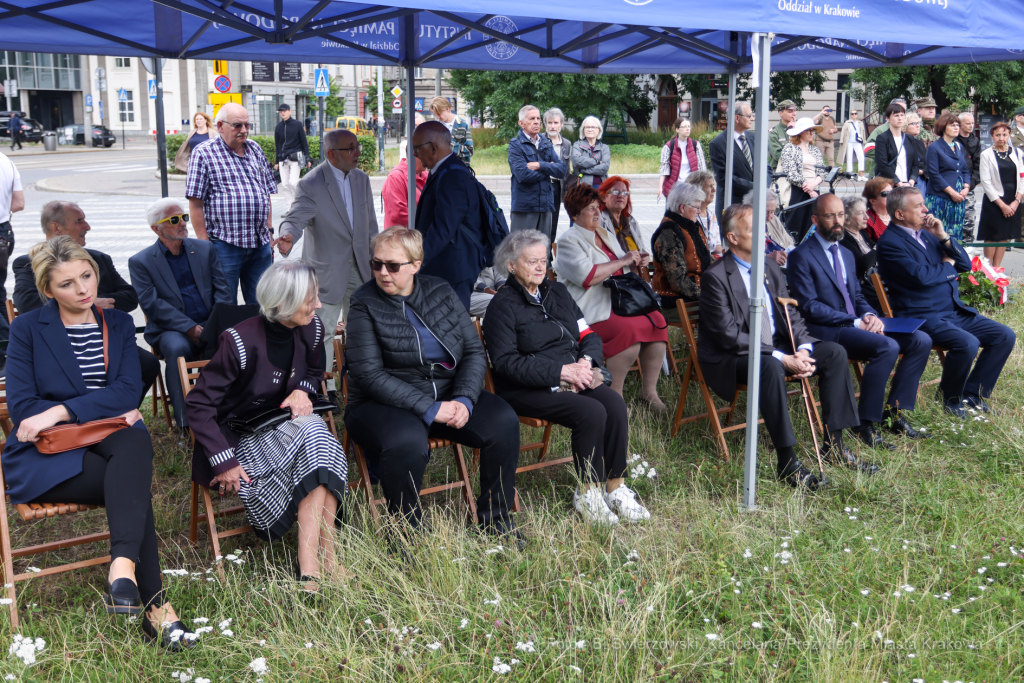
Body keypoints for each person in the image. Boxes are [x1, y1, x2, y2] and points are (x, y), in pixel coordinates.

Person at [5, 236, 195, 648]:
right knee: (132, 476)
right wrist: (68, 415)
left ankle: (122, 570)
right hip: (47, 457)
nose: (83, 290)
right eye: (67, 284)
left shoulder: (120, 324)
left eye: (87, 276)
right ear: (47, 291)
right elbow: (23, 409)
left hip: (109, 444)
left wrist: (56, 409)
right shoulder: (27, 330)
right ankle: (157, 609)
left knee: (131, 441)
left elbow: (129, 391)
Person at [344, 228, 522, 543]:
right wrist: (429, 408)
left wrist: (465, 400)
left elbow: (472, 353)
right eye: (377, 264)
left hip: (449, 393)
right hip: (382, 403)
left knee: (504, 421)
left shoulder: (439, 290)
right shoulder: (363, 303)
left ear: (416, 264)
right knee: (407, 443)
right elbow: (368, 375)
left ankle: (495, 521)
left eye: (393, 265)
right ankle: (405, 536)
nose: (383, 272)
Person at [185, 260, 348, 592]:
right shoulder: (239, 342)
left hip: (287, 427)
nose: (317, 305)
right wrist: (224, 461)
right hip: (241, 437)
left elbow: (315, 372)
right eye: (310, 299)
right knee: (317, 435)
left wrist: (302, 389)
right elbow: (199, 404)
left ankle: (314, 567)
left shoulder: (312, 327)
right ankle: (324, 560)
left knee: (315, 435)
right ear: (282, 305)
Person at [483, 230, 650, 525]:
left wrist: (586, 362)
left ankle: (615, 487)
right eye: (531, 261)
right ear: (511, 265)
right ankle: (587, 492)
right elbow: (506, 363)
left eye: (543, 260)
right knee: (591, 411)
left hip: (573, 376)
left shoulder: (557, 292)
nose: (539, 266)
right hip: (525, 388)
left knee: (613, 403)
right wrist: (561, 372)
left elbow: (588, 334)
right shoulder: (502, 306)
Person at [697, 205, 866, 489]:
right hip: (735, 355)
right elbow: (728, 336)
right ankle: (788, 463)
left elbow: (792, 316)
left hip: (776, 344)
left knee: (835, 353)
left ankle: (834, 445)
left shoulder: (770, 267)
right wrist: (782, 357)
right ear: (734, 238)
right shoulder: (715, 277)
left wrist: (803, 349)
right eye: (753, 230)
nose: (763, 233)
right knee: (770, 365)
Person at [787, 194, 931, 449]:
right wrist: (854, 321)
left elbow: (856, 295)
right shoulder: (801, 255)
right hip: (828, 330)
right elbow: (809, 306)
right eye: (830, 216)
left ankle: (894, 413)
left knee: (920, 339)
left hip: (856, 323)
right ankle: (864, 423)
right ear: (815, 219)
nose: (837, 221)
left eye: (840, 215)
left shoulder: (845, 253)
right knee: (887, 346)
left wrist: (869, 315)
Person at [876, 187, 1016, 417]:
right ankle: (951, 400)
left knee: (1004, 336)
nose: (925, 209)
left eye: (924, 203)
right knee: (967, 343)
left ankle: (972, 395)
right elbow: (922, 278)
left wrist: (943, 236)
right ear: (900, 214)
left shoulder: (928, 233)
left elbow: (965, 265)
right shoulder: (890, 242)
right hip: (922, 315)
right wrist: (947, 265)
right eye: (918, 206)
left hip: (952, 311)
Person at [16, 201, 160, 406]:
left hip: (104, 335)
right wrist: (78, 303)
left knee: (147, 364)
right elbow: (25, 302)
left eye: (86, 276)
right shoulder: (30, 261)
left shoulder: (99, 258)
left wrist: (94, 303)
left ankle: (119, 413)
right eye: (79, 221)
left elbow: (129, 296)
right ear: (56, 228)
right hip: (56, 338)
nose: (87, 226)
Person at [276, 128, 379, 393]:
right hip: (327, 271)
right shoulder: (311, 183)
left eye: (357, 147)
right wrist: (287, 235)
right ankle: (326, 390)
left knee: (363, 329)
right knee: (322, 333)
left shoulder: (361, 179)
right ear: (332, 154)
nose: (358, 153)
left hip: (360, 267)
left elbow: (370, 225)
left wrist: (376, 257)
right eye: (351, 148)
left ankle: (360, 383)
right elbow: (296, 216)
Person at [554, 184, 668, 408]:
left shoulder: (604, 234)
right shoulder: (569, 241)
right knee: (630, 331)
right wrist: (624, 260)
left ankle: (650, 392)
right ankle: (615, 397)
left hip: (618, 303)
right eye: (590, 208)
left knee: (658, 321)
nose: (597, 212)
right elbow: (587, 277)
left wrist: (635, 263)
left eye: (598, 206)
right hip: (587, 309)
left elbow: (622, 272)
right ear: (575, 214)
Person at [129, 198, 233, 430]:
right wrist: (190, 328)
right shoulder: (141, 262)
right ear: (156, 228)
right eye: (174, 220)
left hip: (210, 321)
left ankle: (231, 412)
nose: (183, 223)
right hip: (171, 329)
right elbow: (151, 304)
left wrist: (214, 324)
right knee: (177, 350)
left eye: (183, 217)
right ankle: (186, 425)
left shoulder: (205, 249)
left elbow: (222, 290)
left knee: (234, 340)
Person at [186, 103, 276, 305]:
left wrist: (269, 231)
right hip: (225, 245)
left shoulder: (255, 149)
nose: (243, 130)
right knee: (225, 306)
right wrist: (204, 244)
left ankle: (256, 338)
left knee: (263, 305)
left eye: (247, 125)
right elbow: (195, 204)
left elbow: (266, 193)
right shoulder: (203, 153)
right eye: (237, 125)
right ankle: (229, 338)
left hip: (259, 244)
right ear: (220, 126)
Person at [412, 121, 488, 312]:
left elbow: (443, 230)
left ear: (433, 148)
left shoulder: (451, 176)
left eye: (416, 149)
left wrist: (417, 262)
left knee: (450, 328)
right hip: (452, 265)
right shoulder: (448, 169)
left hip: (453, 269)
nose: (414, 154)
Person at [651, 183, 710, 315]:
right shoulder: (669, 233)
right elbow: (679, 282)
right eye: (697, 207)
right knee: (726, 311)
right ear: (682, 208)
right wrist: (710, 295)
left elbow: (705, 258)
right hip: (675, 301)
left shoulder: (691, 225)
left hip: (695, 297)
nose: (700, 211)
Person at [508, 105, 565, 241]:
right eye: (532, 118)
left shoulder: (546, 143)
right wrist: (548, 170)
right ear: (521, 123)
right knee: (521, 250)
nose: (536, 122)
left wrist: (540, 165)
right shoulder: (516, 145)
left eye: (538, 118)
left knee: (543, 249)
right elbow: (522, 174)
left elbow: (562, 170)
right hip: (525, 206)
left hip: (546, 205)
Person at [978, 121, 1023, 268]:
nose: (1001, 138)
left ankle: (997, 269)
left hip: (1013, 200)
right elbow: (986, 182)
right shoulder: (986, 154)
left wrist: (1016, 201)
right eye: (997, 135)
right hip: (994, 201)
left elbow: (1022, 177)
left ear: (1009, 135)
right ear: (992, 136)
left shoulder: (1017, 152)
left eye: (1004, 134)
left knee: (1005, 236)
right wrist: (1002, 205)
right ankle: (988, 270)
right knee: (992, 236)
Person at [924, 113, 972, 241]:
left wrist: (966, 188)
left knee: (955, 232)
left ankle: (953, 258)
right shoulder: (934, 147)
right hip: (940, 197)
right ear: (943, 127)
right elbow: (934, 174)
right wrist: (952, 192)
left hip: (958, 198)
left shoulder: (958, 146)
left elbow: (965, 170)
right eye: (952, 125)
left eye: (958, 125)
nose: (956, 128)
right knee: (938, 233)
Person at [778, 117, 826, 241]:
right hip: (797, 191)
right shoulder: (790, 148)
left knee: (812, 228)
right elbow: (791, 172)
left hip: (815, 191)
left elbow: (822, 171)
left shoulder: (814, 149)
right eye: (808, 130)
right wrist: (809, 189)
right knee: (795, 227)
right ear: (800, 132)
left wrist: (814, 184)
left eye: (813, 130)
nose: (811, 133)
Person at [709, 101, 756, 221]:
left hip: (756, 206)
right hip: (733, 206)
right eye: (749, 115)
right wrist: (755, 187)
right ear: (737, 118)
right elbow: (724, 178)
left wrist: (764, 186)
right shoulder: (718, 143)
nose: (752, 118)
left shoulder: (754, 138)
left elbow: (766, 167)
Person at [0, 150, 23, 374]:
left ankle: (7, 355)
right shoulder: (6, 160)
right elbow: (19, 203)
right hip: (4, 233)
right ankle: (10, 352)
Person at [839, 196, 881, 310]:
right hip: (861, 287)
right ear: (846, 219)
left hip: (874, 281)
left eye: (865, 212)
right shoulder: (842, 239)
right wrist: (879, 247)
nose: (866, 217)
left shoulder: (863, 234)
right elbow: (863, 264)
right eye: (860, 213)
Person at [273, 103, 311, 213]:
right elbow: (277, 145)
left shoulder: (297, 124)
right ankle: (290, 209)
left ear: (290, 111)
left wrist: (307, 158)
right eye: (281, 111)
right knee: (285, 185)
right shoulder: (278, 127)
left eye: (284, 111)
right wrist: (277, 162)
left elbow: (304, 142)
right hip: (282, 159)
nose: (283, 113)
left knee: (293, 183)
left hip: (296, 158)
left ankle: (299, 204)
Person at [658, 117, 707, 201]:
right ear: (677, 129)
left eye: (689, 126)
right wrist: (660, 187)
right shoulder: (669, 146)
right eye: (684, 127)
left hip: (691, 188)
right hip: (674, 189)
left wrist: (704, 186)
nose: (687, 129)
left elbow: (702, 168)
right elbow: (664, 168)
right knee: (672, 213)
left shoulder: (696, 145)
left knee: (690, 213)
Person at [873, 102, 920, 188]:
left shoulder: (910, 139)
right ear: (887, 118)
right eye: (896, 115)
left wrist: (911, 182)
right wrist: (898, 182)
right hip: (889, 184)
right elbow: (882, 165)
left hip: (908, 184)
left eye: (902, 115)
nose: (900, 118)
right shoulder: (882, 138)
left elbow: (915, 164)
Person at [599, 176, 649, 253]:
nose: (621, 196)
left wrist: (644, 258)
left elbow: (642, 250)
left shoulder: (631, 221)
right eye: (615, 192)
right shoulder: (598, 221)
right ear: (603, 197)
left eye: (625, 193)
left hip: (636, 265)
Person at [741, 190, 791, 266]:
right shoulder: (744, 225)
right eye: (765, 212)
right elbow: (742, 256)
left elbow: (789, 243)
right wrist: (766, 257)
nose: (769, 216)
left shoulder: (774, 220)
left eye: (772, 211)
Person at [544, 107, 572, 237]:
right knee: (542, 222)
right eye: (549, 123)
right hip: (542, 184)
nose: (552, 126)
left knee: (553, 223)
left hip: (557, 186)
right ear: (545, 124)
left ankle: (549, 254)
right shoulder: (539, 141)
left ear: (561, 124)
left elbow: (567, 169)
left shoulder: (567, 144)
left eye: (555, 123)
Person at [382, 152, 428, 229]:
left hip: (418, 234)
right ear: (414, 155)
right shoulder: (395, 178)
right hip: (401, 237)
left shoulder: (425, 174)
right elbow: (399, 214)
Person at [864, 97, 908, 173]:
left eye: (903, 112)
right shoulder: (881, 130)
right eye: (897, 112)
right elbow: (868, 149)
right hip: (882, 175)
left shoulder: (909, 130)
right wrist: (887, 155)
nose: (900, 116)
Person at [685, 170, 722, 256]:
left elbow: (716, 246)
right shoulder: (689, 214)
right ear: (698, 190)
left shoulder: (711, 213)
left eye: (714, 186)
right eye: (710, 186)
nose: (714, 189)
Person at [958, 112, 982, 241]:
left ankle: (968, 249)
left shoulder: (975, 140)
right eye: (968, 123)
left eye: (972, 123)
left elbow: (978, 165)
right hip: (953, 185)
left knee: (969, 221)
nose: (971, 125)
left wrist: (971, 184)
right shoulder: (953, 140)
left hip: (969, 186)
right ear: (960, 124)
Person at [430, 96, 473, 165]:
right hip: (441, 172)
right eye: (436, 115)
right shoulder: (435, 128)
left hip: (459, 171)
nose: (437, 117)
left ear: (447, 109)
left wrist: (449, 145)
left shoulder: (463, 125)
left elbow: (469, 151)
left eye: (439, 114)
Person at [571, 116, 610, 190]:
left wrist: (584, 170)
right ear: (583, 130)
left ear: (598, 130)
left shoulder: (604, 148)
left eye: (593, 127)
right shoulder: (577, 145)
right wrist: (597, 161)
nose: (590, 129)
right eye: (587, 127)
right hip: (582, 186)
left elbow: (604, 168)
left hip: (601, 187)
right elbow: (576, 162)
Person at [768, 99, 799, 171]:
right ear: (780, 113)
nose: (794, 114)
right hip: (780, 171)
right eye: (790, 111)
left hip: (798, 169)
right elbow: (777, 155)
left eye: (794, 111)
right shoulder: (774, 132)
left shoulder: (800, 129)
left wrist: (795, 130)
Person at [862, 176, 895, 241]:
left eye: (892, 192)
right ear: (873, 201)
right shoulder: (867, 221)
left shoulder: (898, 215)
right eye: (885, 193)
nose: (891, 196)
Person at [838, 109, 867, 180]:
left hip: (858, 142)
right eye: (852, 114)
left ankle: (860, 175)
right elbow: (843, 132)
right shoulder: (847, 123)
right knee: (849, 158)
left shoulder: (860, 123)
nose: (854, 115)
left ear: (857, 114)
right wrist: (841, 140)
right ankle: (850, 174)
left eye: (855, 113)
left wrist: (864, 141)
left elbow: (863, 133)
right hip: (849, 142)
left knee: (861, 157)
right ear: (851, 115)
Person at [904, 113, 929, 187]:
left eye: (918, 123)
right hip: (906, 181)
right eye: (914, 123)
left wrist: (922, 171)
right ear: (905, 126)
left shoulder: (920, 143)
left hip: (920, 181)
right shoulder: (900, 142)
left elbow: (927, 163)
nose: (918, 126)